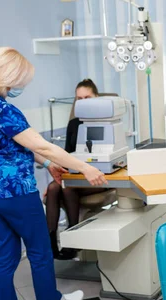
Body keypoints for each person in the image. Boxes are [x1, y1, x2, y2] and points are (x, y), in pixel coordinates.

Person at [0, 47, 108, 300]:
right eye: (19, 81)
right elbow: (40, 144)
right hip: (16, 192)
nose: (21, 86)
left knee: (6, 252)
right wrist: (85, 168)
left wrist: (46, 163)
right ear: (8, 76)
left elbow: (12, 146)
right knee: (39, 249)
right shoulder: (5, 110)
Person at [45, 78, 106, 260]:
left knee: (68, 188)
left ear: (97, 97)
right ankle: (51, 245)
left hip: (99, 177)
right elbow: (66, 154)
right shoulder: (74, 124)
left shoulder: (107, 122)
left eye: (87, 97)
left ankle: (72, 242)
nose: (83, 101)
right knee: (52, 188)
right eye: (79, 98)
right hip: (76, 176)